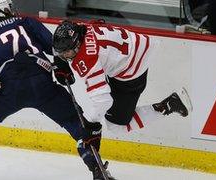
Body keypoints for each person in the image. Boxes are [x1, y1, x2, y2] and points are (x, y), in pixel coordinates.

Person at [0, 0, 115, 179]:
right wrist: (61, 66)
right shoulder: (26, 21)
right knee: (75, 121)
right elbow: (56, 47)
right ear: (3, 7)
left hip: (10, 85)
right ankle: (97, 169)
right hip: (42, 78)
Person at [52, 20, 193, 133]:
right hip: (137, 46)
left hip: (131, 71)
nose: (65, 56)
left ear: (77, 45)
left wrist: (91, 123)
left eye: (66, 53)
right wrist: (59, 60)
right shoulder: (82, 27)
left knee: (116, 126)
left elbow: (103, 100)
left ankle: (169, 105)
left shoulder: (86, 58)